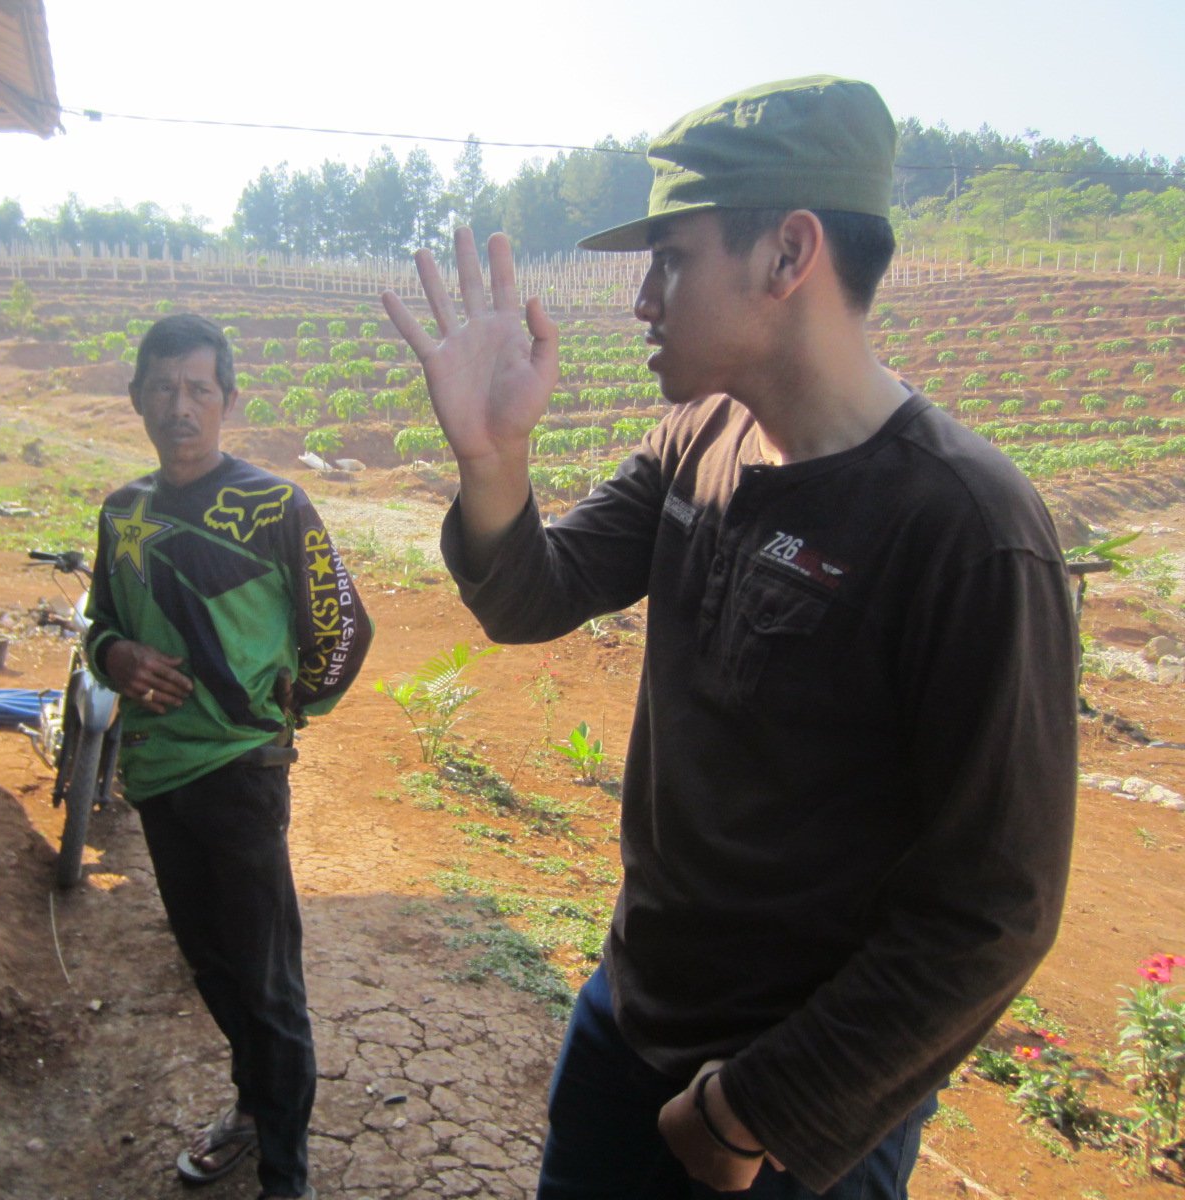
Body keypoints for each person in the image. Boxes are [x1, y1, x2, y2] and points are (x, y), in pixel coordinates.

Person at [383, 75, 1077, 1199]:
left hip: (790, 1109)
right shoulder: (699, 436)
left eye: (671, 259)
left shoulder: (966, 531)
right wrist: (491, 460)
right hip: (627, 1014)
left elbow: (992, 910)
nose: (643, 299)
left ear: (787, 253)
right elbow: (530, 598)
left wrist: (749, 1112)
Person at [85, 313, 372, 1200]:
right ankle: (255, 1108)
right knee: (209, 960)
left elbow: (344, 628)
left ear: (226, 401)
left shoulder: (274, 506)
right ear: (137, 399)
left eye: (199, 391)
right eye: (164, 389)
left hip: (243, 773)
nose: (181, 407)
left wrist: (287, 714)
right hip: (159, 771)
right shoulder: (122, 512)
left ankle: (286, 1173)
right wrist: (116, 659)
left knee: (266, 979)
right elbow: (99, 624)